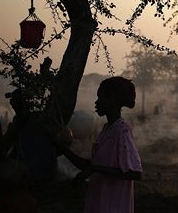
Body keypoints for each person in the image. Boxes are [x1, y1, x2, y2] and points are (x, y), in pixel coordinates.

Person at [57, 76, 142, 213]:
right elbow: (92, 166)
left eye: (100, 98)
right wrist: (64, 150)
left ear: (112, 100)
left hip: (113, 206)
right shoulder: (107, 129)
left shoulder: (122, 131)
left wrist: (95, 169)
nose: (96, 103)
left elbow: (134, 173)